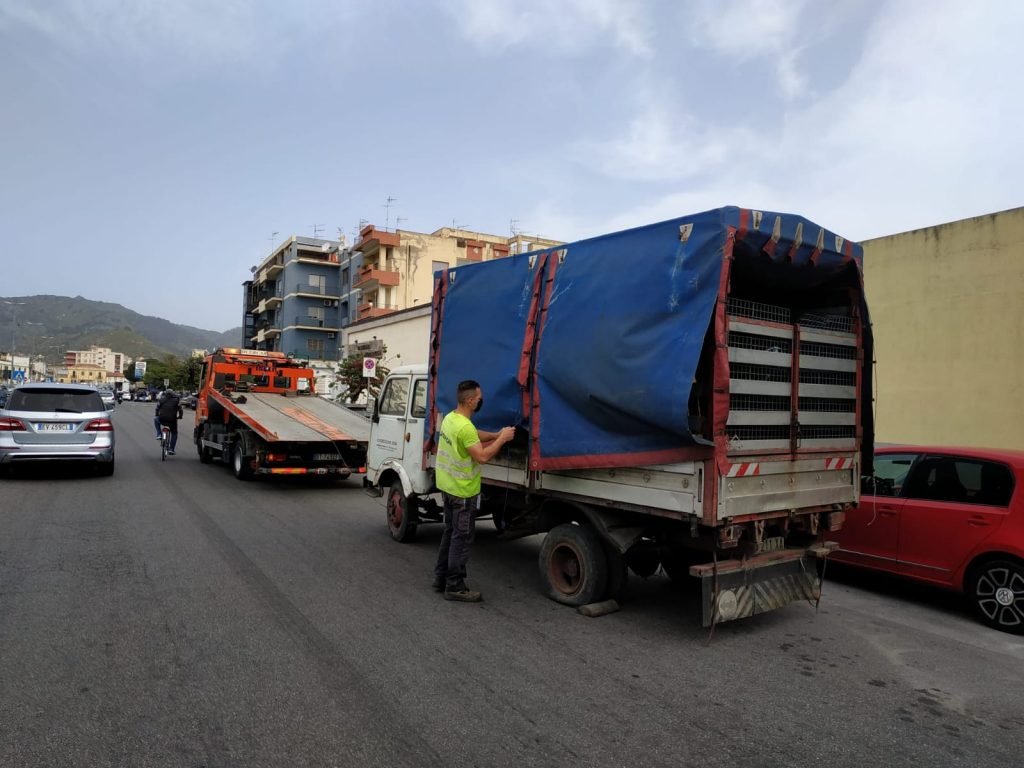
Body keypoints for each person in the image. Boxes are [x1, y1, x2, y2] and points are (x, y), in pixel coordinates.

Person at [433, 380, 515, 602]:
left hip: (448, 488)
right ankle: (455, 586)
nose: (481, 400)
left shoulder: (452, 418)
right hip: (463, 492)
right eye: (479, 397)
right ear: (470, 400)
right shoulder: (464, 427)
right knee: (462, 539)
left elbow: (473, 435)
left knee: (450, 533)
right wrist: (503, 439)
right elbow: (482, 456)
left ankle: (441, 578)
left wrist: (495, 434)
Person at [154, 389, 183, 455]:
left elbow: (157, 408)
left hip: (162, 419)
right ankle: (171, 449)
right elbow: (180, 410)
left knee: (155, 419)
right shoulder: (176, 401)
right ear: (173, 394)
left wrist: (157, 414)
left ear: (165, 394)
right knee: (174, 434)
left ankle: (159, 434)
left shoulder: (161, 400)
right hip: (172, 420)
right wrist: (180, 416)